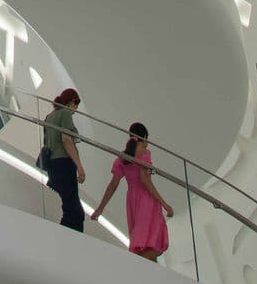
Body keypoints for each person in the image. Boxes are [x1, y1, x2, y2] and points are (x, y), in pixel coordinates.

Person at [89, 121, 174, 260]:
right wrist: (164, 203)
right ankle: (141, 267)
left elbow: (113, 185)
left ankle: (145, 268)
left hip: (132, 201)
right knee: (153, 241)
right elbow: (145, 180)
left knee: (142, 242)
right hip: (147, 200)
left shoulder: (123, 157)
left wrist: (100, 209)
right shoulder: (145, 153)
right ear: (144, 137)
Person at [41, 88, 87, 231]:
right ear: (72, 101)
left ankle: (65, 237)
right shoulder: (65, 113)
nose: (75, 110)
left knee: (70, 208)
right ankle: (69, 239)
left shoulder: (49, 116)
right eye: (76, 104)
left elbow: (47, 142)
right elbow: (66, 139)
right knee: (75, 212)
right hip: (64, 164)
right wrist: (79, 166)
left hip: (52, 165)